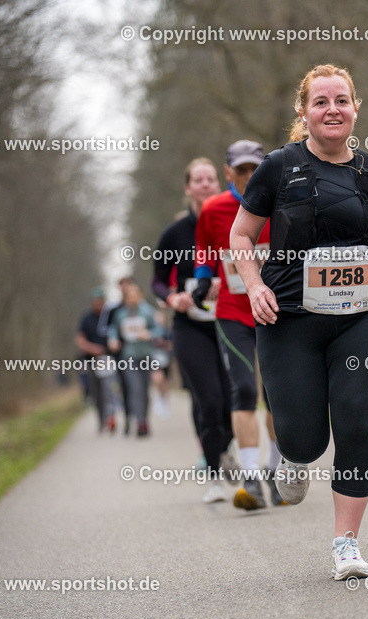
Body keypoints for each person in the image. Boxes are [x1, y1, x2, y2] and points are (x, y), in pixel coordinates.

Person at [230, 64, 368, 579]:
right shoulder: (277, 167)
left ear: (356, 108)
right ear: (304, 113)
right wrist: (254, 285)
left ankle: (346, 543)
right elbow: (242, 237)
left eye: (341, 100)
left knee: (357, 423)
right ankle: (293, 458)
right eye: (321, 102)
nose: (332, 109)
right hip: (289, 318)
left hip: (361, 316)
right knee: (303, 438)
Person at [197, 140, 284, 511]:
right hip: (233, 312)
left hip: (278, 312)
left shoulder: (281, 201)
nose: (250, 176)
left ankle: (274, 472)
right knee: (245, 389)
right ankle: (250, 478)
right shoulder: (214, 209)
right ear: (228, 172)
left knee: (279, 397)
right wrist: (202, 277)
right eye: (242, 170)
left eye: (255, 168)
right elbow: (204, 249)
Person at [151, 157, 235, 503]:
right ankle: (214, 475)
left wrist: (227, 284)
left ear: (219, 184)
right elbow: (156, 281)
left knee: (235, 399)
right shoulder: (174, 233)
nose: (205, 185)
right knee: (209, 400)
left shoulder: (233, 224)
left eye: (210, 179)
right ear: (188, 188)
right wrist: (173, 298)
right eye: (198, 180)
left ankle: (226, 445)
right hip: (190, 329)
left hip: (231, 323)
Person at [107, 284, 162, 437]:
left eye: (134, 295)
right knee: (135, 389)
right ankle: (140, 422)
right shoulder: (121, 315)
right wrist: (113, 340)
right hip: (128, 357)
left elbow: (159, 329)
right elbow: (113, 330)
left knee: (144, 390)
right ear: (125, 299)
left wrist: (149, 334)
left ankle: (144, 419)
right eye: (129, 296)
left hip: (146, 356)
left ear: (139, 296)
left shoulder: (147, 312)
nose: (132, 299)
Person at [99, 275, 135, 435]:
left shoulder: (138, 306)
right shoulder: (112, 308)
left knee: (133, 387)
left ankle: (135, 418)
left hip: (136, 354)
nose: (125, 288)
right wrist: (113, 338)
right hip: (116, 355)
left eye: (128, 285)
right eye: (123, 285)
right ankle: (119, 417)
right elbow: (103, 329)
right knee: (117, 387)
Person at [75, 287, 112, 433]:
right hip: (91, 361)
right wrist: (93, 349)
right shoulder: (86, 318)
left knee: (109, 390)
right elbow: (79, 340)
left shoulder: (110, 317)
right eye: (94, 302)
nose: (97, 304)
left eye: (99, 302)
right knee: (96, 392)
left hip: (110, 360)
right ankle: (101, 421)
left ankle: (111, 417)